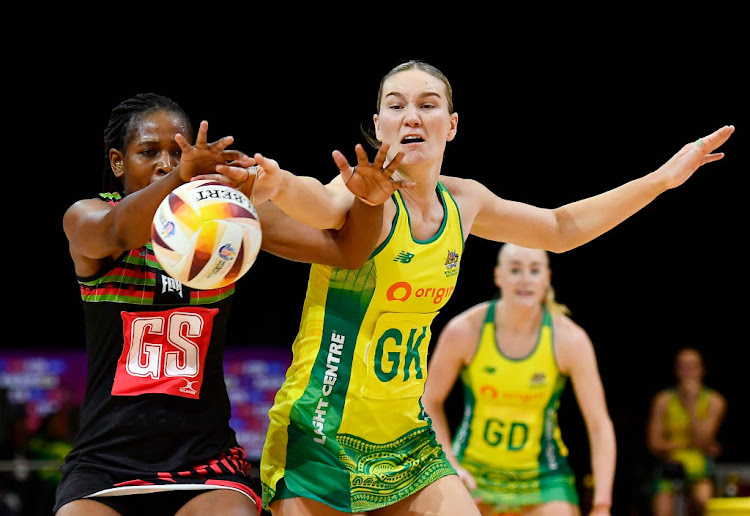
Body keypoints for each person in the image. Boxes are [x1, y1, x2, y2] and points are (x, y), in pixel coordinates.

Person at [251, 59, 733, 516]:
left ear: (452, 124)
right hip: (320, 433)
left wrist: (662, 180)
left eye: (427, 103)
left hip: (404, 439)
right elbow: (318, 203)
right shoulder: (360, 195)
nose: (411, 115)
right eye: (396, 105)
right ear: (379, 125)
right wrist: (280, 186)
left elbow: (561, 229)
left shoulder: (465, 202)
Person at [56, 92, 405, 516]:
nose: (166, 163)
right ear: (117, 162)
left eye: (179, 152)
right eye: (149, 153)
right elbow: (115, 231)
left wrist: (370, 202)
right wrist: (181, 179)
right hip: (104, 464)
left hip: (205, 460)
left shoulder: (228, 218)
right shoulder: (88, 216)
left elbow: (345, 252)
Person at [421, 243, 615, 516]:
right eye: (515, 270)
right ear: (498, 275)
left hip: (544, 481)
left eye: (535, 270)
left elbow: (599, 425)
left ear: (547, 278)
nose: (525, 279)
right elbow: (429, 401)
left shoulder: (570, 339)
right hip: (473, 474)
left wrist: (602, 505)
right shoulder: (465, 330)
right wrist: (450, 464)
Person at [647, 347, 727, 516]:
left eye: (692, 366)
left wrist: (691, 403)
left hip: (699, 469)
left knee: (702, 501)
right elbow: (654, 444)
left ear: (702, 370)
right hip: (671, 466)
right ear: (676, 370)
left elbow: (702, 441)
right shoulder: (663, 400)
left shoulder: (714, 401)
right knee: (662, 508)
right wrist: (690, 444)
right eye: (682, 367)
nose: (687, 372)